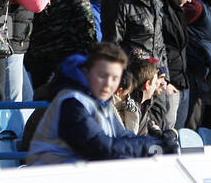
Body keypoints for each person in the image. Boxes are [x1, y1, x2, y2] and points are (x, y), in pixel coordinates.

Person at [26, 42, 178, 165]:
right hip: (49, 181)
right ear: (87, 71)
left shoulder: (100, 102)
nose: (108, 84)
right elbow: (100, 147)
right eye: (102, 75)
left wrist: (158, 143)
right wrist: (150, 146)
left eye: (114, 78)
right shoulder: (71, 102)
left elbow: (123, 136)